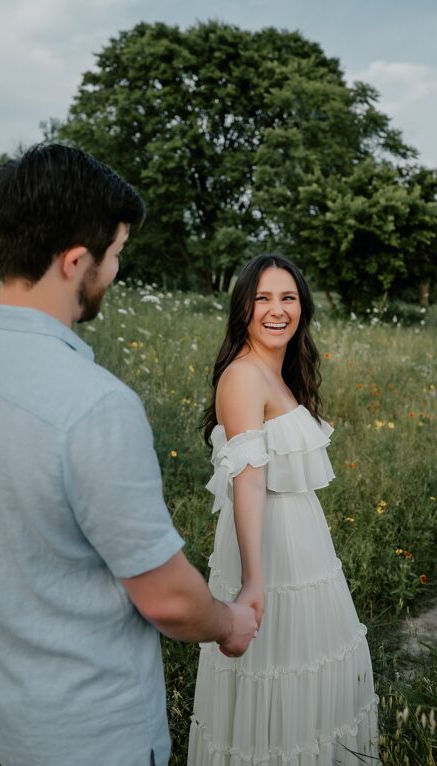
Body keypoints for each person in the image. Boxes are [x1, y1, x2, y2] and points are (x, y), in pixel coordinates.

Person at [0, 143, 259, 766]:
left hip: (10, 722)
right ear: (75, 261)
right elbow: (167, 599)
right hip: (99, 733)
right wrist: (230, 623)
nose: (113, 272)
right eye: (114, 256)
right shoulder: (95, 404)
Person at [187, 254, 378, 764]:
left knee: (313, 669)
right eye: (263, 298)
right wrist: (254, 581)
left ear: (302, 308)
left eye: (288, 297)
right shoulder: (244, 376)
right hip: (267, 547)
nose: (277, 309)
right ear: (243, 308)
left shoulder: (277, 372)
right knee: (273, 677)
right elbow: (248, 482)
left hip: (303, 544)